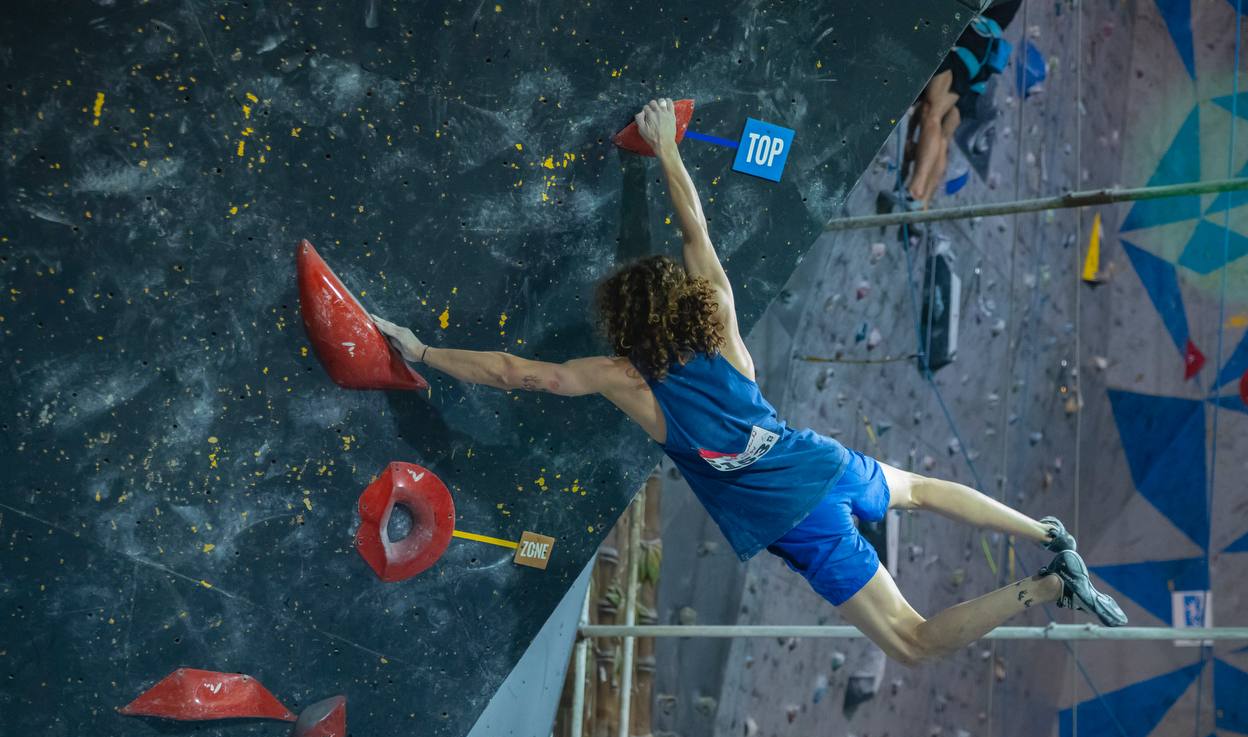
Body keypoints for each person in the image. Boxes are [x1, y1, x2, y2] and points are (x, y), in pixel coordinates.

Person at [371, 98, 1126, 667]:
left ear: (625, 324)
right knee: (920, 490)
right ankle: (1047, 533)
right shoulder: (723, 328)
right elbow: (694, 229)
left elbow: (516, 373)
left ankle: (1047, 587)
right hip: (822, 461)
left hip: (801, 517)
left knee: (914, 641)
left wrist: (422, 349)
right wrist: (667, 148)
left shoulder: (626, 380)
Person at [897, 0, 1022, 208]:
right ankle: (923, 203)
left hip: (967, 44)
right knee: (941, 131)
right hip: (977, 55)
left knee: (931, 112)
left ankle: (916, 191)